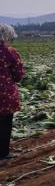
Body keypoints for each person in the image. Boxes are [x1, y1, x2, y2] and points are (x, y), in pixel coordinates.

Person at [0, 24, 23, 159]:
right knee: (5, 123)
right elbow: (18, 75)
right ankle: (3, 153)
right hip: (5, 94)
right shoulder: (9, 52)